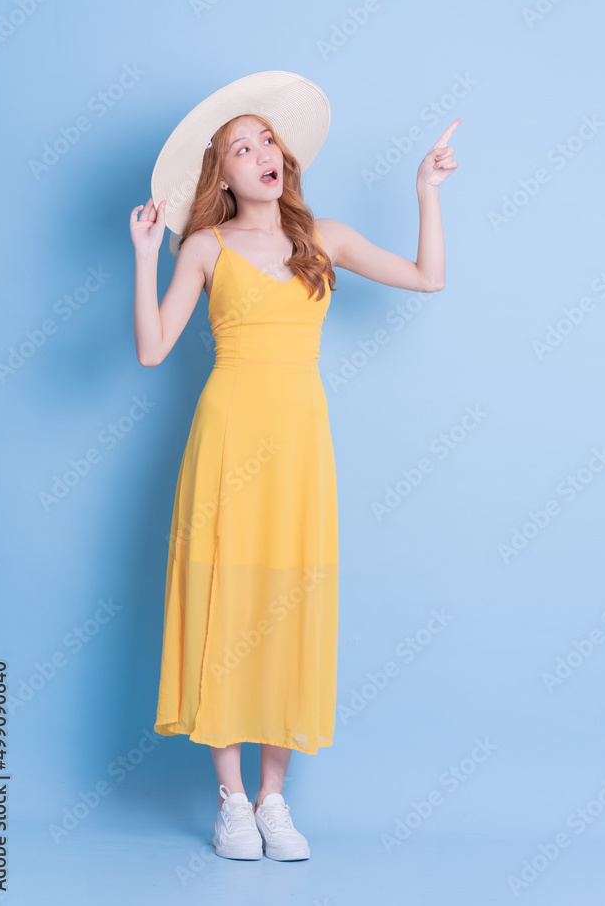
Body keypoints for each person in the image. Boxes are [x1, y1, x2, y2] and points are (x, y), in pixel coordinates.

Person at [129, 71, 459, 861]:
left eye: (266, 139)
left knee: (285, 599)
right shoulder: (203, 246)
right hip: (227, 438)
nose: (260, 152)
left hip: (300, 445)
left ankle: (275, 801)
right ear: (223, 175)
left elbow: (428, 277)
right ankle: (231, 799)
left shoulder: (326, 238)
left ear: (284, 157)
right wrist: (147, 257)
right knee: (228, 598)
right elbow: (151, 350)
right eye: (240, 147)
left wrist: (426, 190)